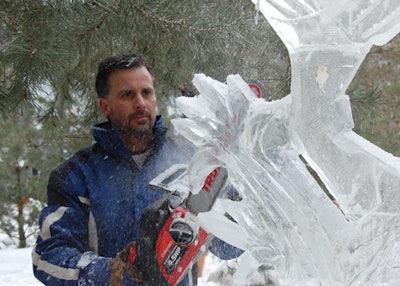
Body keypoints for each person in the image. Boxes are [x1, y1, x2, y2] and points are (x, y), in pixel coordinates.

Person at [32, 53, 242, 285]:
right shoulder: (76, 176)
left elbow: (230, 247)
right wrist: (109, 272)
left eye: (146, 93)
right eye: (127, 95)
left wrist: (242, 194)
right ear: (105, 106)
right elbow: (48, 257)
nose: (141, 103)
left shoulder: (192, 161)